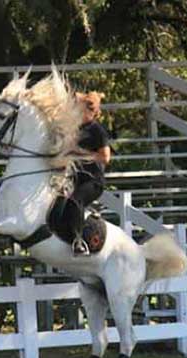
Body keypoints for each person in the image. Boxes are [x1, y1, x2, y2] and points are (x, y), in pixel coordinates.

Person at [71, 91, 111, 256]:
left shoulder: (97, 130)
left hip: (92, 180)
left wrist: (81, 154)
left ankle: (79, 240)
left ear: (90, 110)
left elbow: (105, 157)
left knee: (76, 200)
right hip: (76, 177)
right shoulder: (75, 127)